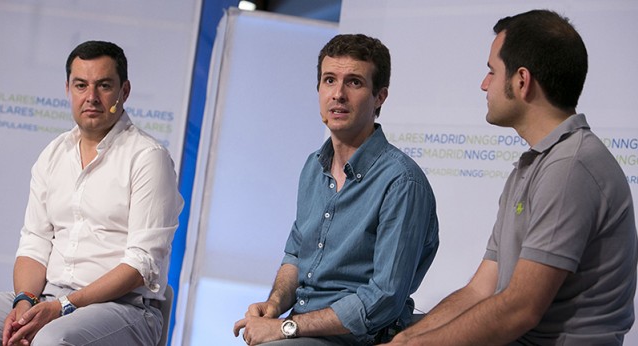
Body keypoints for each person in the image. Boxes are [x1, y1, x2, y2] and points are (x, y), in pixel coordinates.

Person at [387, 9, 637, 346]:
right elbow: (481, 289)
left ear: (522, 81)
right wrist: (405, 339)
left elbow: (520, 309)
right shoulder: (535, 165)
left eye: (492, 71)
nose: (484, 84)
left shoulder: (570, 167)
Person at [233, 34, 439, 345]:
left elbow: (384, 298)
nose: (338, 94)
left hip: (357, 338)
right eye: (329, 80)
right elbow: (295, 256)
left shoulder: (402, 182)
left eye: (354, 82)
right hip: (302, 330)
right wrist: (274, 306)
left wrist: (288, 328)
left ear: (380, 96)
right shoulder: (312, 168)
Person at [0, 40, 183, 345]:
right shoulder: (53, 154)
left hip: (126, 309)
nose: (91, 97)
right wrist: (24, 305)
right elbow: (34, 243)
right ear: (68, 89)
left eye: (104, 86)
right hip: (48, 299)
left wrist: (63, 307)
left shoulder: (148, 157)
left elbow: (141, 265)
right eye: (81, 85)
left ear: (124, 92)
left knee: (51, 340)